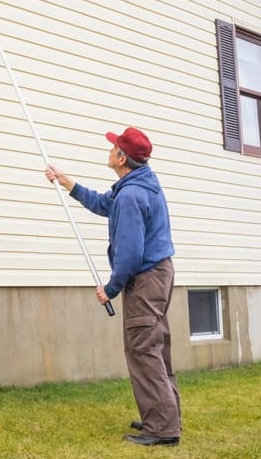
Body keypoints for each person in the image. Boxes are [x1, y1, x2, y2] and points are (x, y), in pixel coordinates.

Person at [46, 127, 180, 447]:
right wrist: (67, 183)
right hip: (158, 274)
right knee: (155, 347)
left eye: (113, 148)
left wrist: (112, 288)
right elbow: (104, 203)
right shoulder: (138, 183)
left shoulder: (132, 195)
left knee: (142, 349)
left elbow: (130, 253)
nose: (108, 151)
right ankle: (161, 416)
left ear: (122, 158)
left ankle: (162, 428)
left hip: (146, 278)